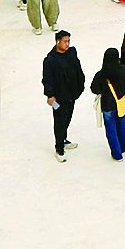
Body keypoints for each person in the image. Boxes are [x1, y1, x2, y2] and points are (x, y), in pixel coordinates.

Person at [41, 30, 83, 161]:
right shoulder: (50, 60)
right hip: (59, 97)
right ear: (57, 42)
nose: (67, 44)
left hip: (72, 94)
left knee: (68, 118)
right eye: (65, 41)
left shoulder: (71, 52)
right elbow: (47, 79)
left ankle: (64, 139)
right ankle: (59, 147)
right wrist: (50, 95)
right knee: (59, 121)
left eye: (68, 41)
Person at [92, 46, 125, 160]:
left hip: (107, 105)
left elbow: (94, 89)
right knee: (123, 126)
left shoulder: (101, 74)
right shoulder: (123, 70)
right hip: (121, 103)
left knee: (111, 130)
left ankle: (117, 154)